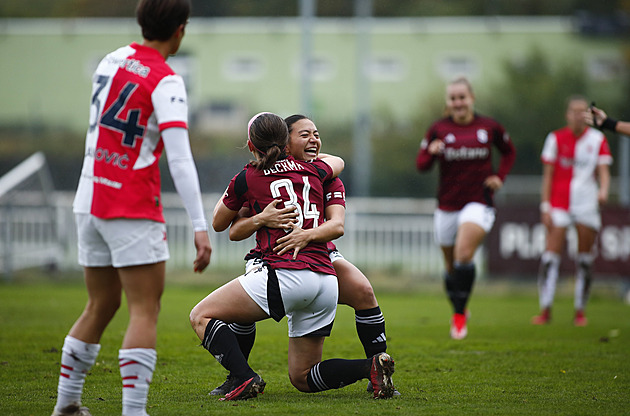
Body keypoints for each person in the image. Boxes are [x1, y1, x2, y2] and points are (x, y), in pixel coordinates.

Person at [51, 1, 212, 415]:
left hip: (89, 198)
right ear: (179, 30)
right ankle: (134, 412)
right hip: (131, 205)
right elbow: (179, 159)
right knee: (145, 308)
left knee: (100, 305)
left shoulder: (111, 60)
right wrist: (199, 225)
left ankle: (66, 405)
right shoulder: (167, 79)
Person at [189, 112, 395, 401]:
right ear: (286, 142)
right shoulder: (318, 171)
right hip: (325, 281)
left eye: (316, 133)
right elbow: (337, 162)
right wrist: (261, 218)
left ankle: (243, 376)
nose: (313, 139)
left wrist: (268, 218)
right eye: (305, 134)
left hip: (286, 272)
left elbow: (219, 223)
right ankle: (371, 366)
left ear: (250, 145)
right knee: (302, 377)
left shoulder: (249, 176)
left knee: (201, 315)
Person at [416, 77, 516, 340]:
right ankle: (460, 308)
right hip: (447, 204)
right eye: (453, 98)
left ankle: (459, 317)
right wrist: (432, 152)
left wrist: (499, 177)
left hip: (479, 201)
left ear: (471, 98)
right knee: (450, 267)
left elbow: (509, 152)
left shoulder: (489, 127)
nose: (458, 103)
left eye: (462, 97)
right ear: (447, 102)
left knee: (463, 254)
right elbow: (421, 164)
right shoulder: (438, 128)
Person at [531, 95, 612, 326]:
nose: (578, 115)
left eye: (582, 111)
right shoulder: (555, 139)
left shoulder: (597, 139)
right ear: (567, 114)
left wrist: (603, 191)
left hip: (586, 204)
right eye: (574, 111)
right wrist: (545, 206)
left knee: (585, 259)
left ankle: (580, 311)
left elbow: (604, 172)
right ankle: (545, 309)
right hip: (559, 203)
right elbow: (547, 176)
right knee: (549, 258)